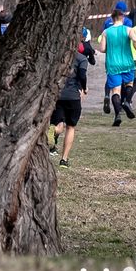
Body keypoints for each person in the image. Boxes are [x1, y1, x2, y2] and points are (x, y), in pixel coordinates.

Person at [50, 32, 88, 170]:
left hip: (57, 95)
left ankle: (53, 132)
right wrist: (84, 88)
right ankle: (64, 160)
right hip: (73, 96)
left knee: (58, 124)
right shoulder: (81, 59)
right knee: (70, 127)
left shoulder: (57, 57)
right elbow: (82, 75)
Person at [98, 9, 136, 126]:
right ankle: (127, 102)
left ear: (112, 19)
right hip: (127, 62)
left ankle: (117, 115)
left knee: (115, 91)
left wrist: (110, 48)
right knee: (129, 84)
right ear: (123, 18)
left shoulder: (106, 32)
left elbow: (102, 49)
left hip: (112, 64)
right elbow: (135, 40)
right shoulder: (128, 30)